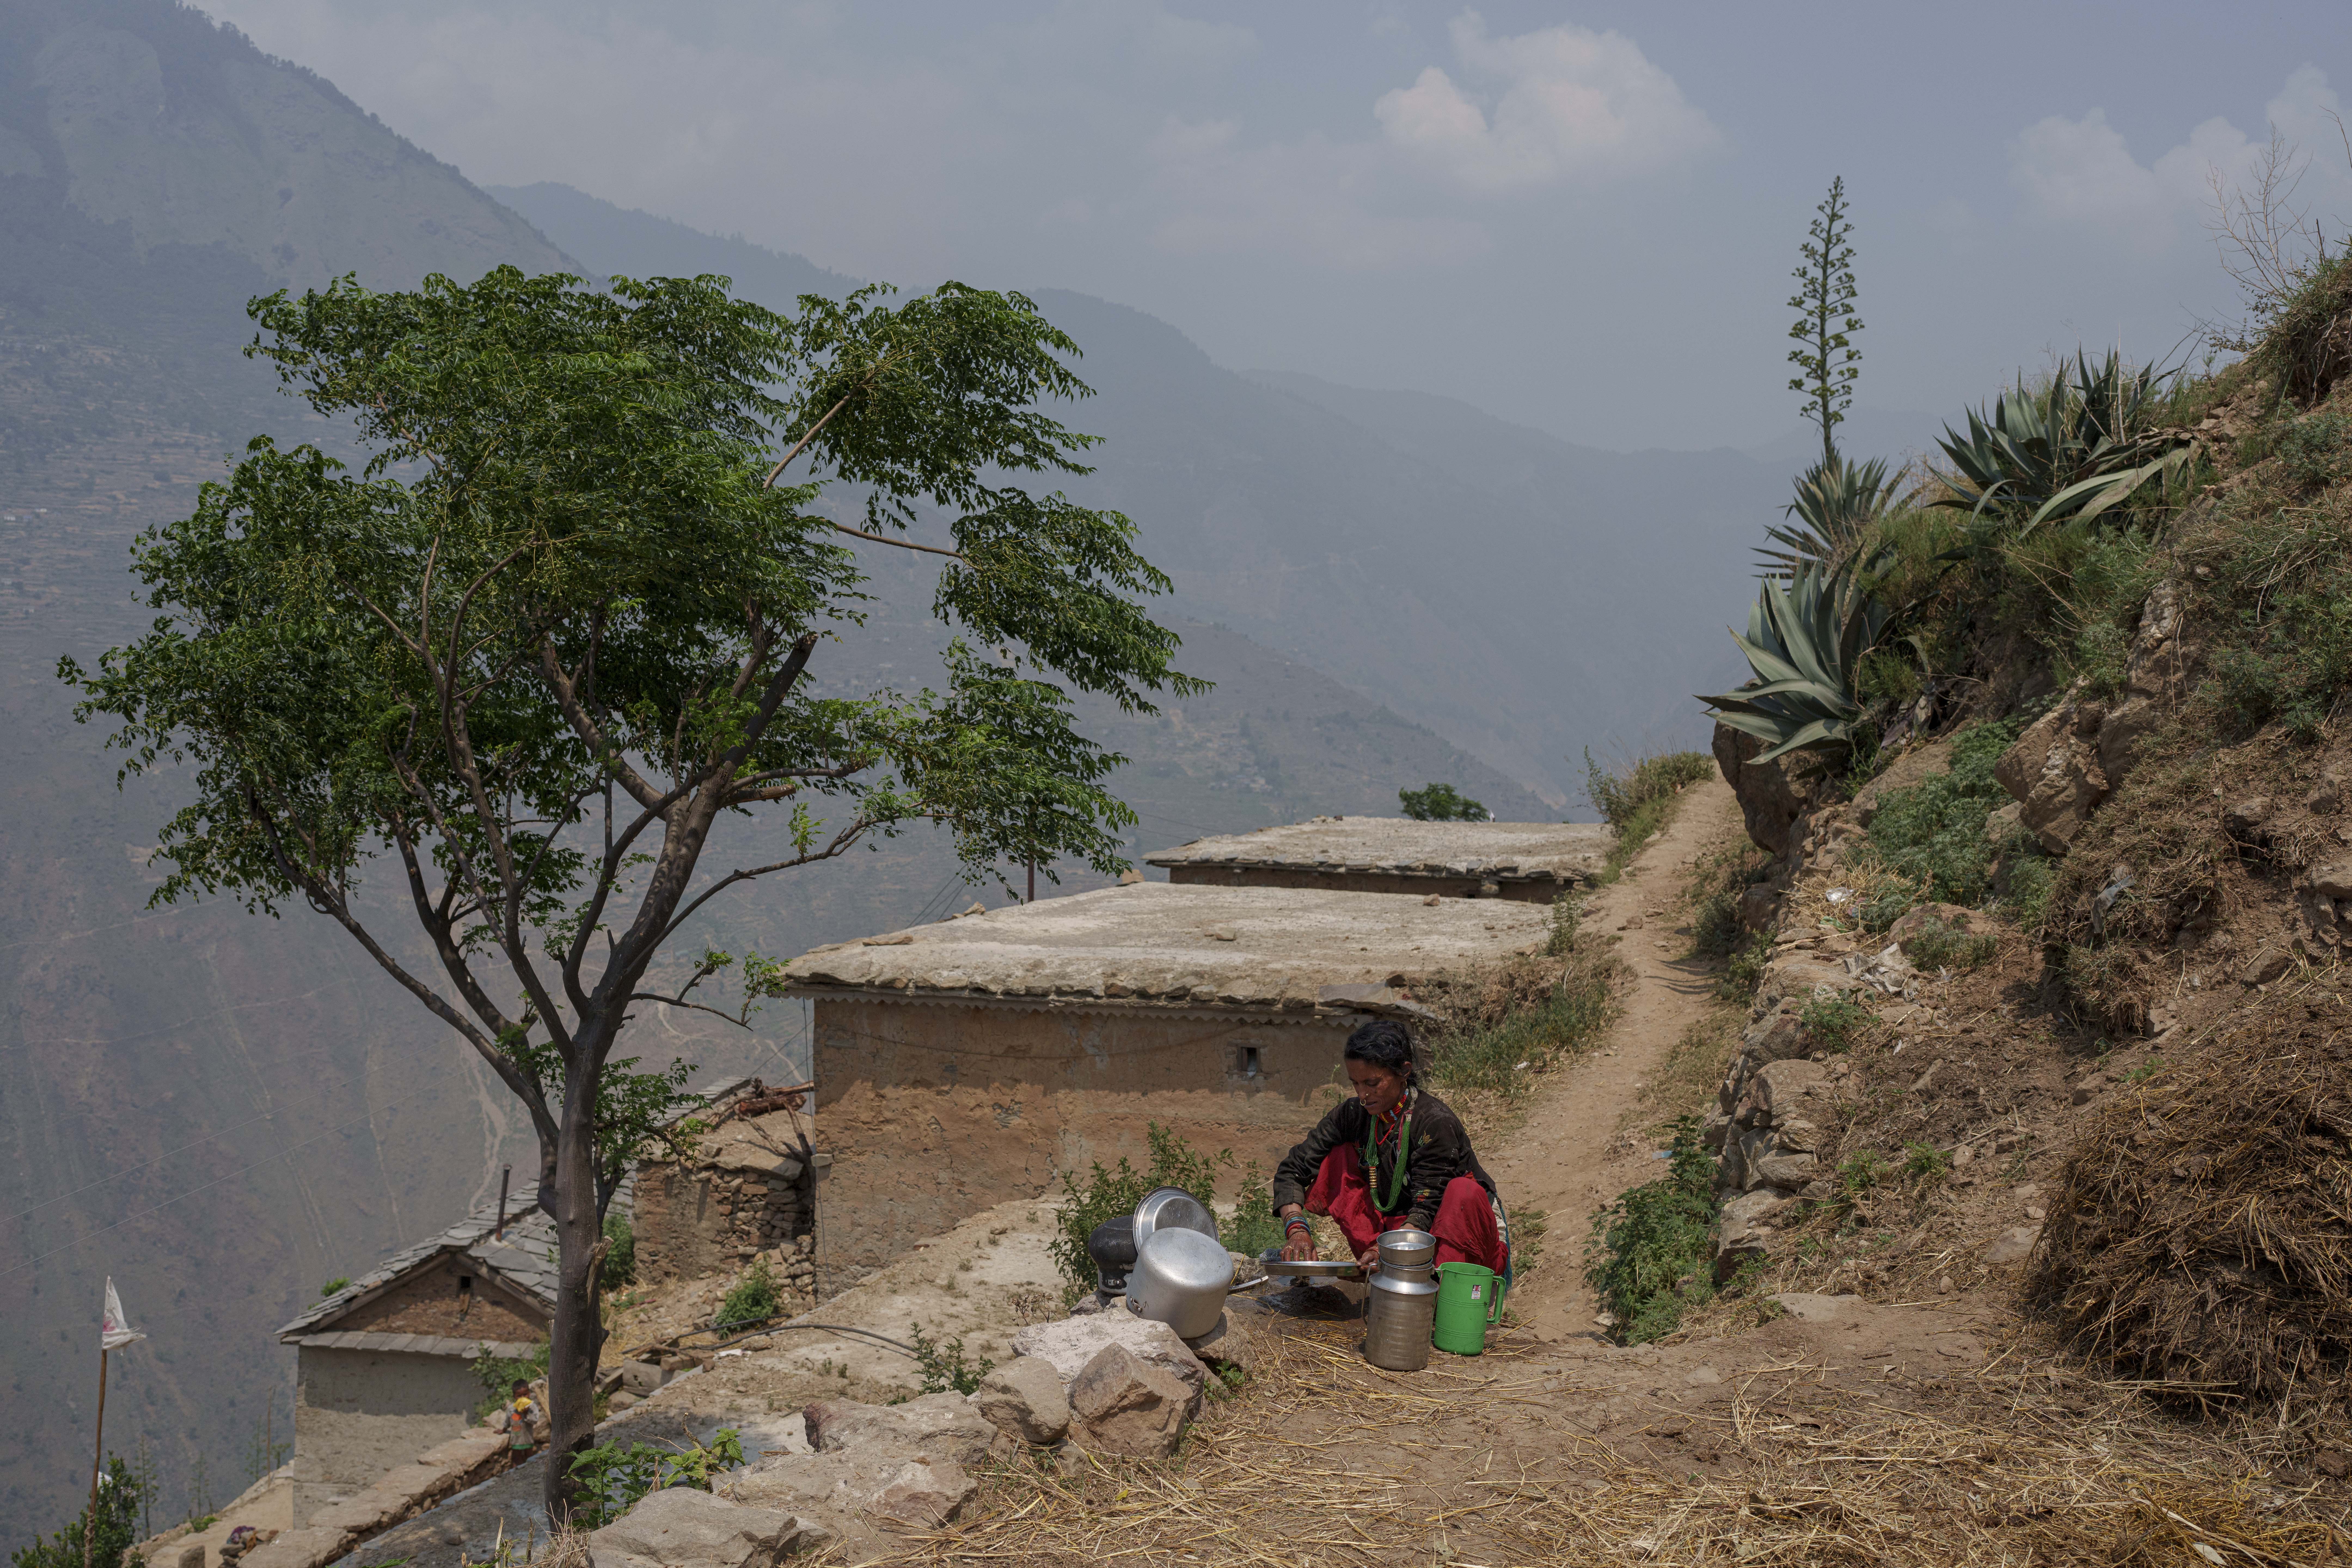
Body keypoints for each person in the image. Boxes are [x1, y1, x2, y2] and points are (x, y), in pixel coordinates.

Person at [1272, 1019, 1509, 1275]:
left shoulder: (1434, 1123)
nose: (1363, 1095)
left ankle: (1443, 1291)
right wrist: (1297, 1230)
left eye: (1372, 1084)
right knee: (1337, 1159)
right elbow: (1293, 1170)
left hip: (1458, 1239)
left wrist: (1384, 1250)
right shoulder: (1352, 1115)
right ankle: (1384, 1272)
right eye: (1355, 1084)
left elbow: (1424, 1213)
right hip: (1396, 1240)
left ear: (1404, 1071)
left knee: (1462, 1192)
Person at [507, 1380, 538, 1453]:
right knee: (516, 1457)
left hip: (528, 1439)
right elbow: (508, 1421)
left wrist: (526, 1413)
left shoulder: (532, 1407)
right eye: (519, 1396)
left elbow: (535, 1421)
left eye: (525, 1395)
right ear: (514, 1397)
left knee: (529, 1457)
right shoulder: (511, 1409)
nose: (523, 1398)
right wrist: (504, 1430)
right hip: (516, 1440)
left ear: (529, 1394)